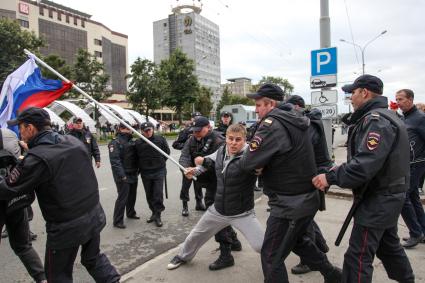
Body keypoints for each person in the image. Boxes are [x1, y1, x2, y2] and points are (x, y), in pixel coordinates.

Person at [313, 75, 414, 283]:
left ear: (364, 93)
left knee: (357, 257)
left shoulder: (376, 121)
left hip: (378, 198)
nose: (351, 98)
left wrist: (330, 177)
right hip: (387, 195)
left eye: (353, 93)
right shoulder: (389, 116)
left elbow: (364, 166)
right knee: (388, 247)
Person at [0, 107, 120, 283]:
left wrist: (25, 160)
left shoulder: (36, 159)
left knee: (57, 276)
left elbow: (8, 188)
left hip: (66, 228)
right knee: (93, 258)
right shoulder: (72, 141)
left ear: (31, 128)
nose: (19, 132)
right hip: (94, 214)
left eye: (21, 127)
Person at [241, 83, 341, 283]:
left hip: (289, 203)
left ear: (271, 104)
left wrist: (261, 164)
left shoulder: (271, 124)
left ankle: (334, 275)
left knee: (271, 255)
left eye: (259, 104)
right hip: (304, 198)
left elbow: (248, 162)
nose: (256, 109)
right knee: (297, 241)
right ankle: (333, 274)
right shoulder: (297, 119)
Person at [167, 124, 264, 271]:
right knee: (195, 236)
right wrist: (194, 171)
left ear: (245, 140)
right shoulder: (221, 150)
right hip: (218, 210)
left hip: (242, 212)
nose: (233, 143)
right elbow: (207, 163)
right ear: (226, 138)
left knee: (261, 246)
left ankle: (275, 264)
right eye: (230, 139)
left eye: (238, 139)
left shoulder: (252, 155)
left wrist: (260, 169)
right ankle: (183, 256)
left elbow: (263, 167)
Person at [179, 116, 242, 270]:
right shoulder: (192, 139)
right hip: (205, 181)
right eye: (194, 131)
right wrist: (185, 167)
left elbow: (215, 164)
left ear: (208, 127)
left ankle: (226, 254)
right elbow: (185, 155)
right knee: (219, 215)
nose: (196, 133)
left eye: (199, 130)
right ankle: (233, 241)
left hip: (220, 182)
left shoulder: (219, 141)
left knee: (216, 216)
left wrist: (197, 169)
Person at [282, 95, 332, 275]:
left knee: (304, 223)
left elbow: (300, 149)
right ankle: (321, 246)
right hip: (311, 176)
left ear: (297, 107)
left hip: (313, 178)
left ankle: (309, 261)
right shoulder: (308, 122)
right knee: (307, 220)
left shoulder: (308, 125)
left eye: (289, 109)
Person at [0, 128, 46, 283]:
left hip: (9, 195)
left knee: (23, 245)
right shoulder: (8, 134)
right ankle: (42, 279)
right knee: (23, 246)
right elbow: (19, 160)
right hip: (14, 197)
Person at [395, 88, 425, 248]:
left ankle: (416, 233)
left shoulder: (420, 118)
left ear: (410, 99)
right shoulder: (406, 117)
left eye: (401, 99)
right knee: (413, 197)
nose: (398, 103)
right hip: (408, 163)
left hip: (416, 164)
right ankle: (422, 231)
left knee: (403, 197)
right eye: (397, 99)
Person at [135, 122, 169, 227]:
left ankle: (158, 215)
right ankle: (153, 213)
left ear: (153, 129)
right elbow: (135, 157)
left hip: (158, 170)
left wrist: (160, 162)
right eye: (145, 131)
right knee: (149, 195)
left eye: (149, 130)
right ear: (141, 131)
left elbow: (166, 153)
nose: (148, 132)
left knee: (157, 194)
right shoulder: (138, 142)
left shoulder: (160, 139)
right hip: (145, 172)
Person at [172, 112, 204, 216]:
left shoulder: (204, 131)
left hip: (199, 162)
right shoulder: (186, 131)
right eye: (195, 118)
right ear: (192, 119)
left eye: (199, 117)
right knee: (186, 185)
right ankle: (185, 206)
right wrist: (188, 145)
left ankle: (199, 203)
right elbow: (175, 144)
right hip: (188, 161)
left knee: (198, 184)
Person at [108, 123, 139, 229]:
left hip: (133, 172)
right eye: (127, 128)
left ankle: (131, 212)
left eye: (130, 128)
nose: (130, 130)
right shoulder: (115, 142)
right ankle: (117, 220)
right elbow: (115, 161)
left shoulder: (131, 141)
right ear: (121, 129)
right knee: (123, 197)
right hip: (123, 175)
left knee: (132, 195)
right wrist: (122, 175)